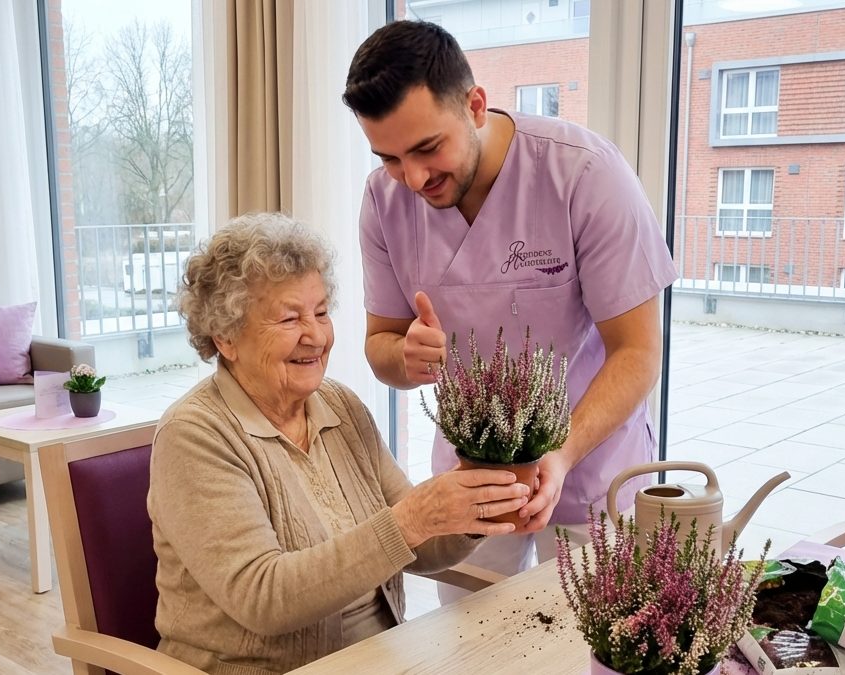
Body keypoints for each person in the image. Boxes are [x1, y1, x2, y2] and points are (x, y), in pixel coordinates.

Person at [342, 20, 678, 597]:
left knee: (592, 647)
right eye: (391, 158)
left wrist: (561, 452)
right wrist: (406, 355)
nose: (413, 178)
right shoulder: (384, 200)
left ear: (475, 105)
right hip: (472, 475)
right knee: (472, 647)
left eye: (427, 148)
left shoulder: (585, 175)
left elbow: (639, 352)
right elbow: (381, 349)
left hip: (592, 463)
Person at [148, 213, 530, 674]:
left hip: (378, 660)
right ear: (226, 337)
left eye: (322, 312)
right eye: (290, 318)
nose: (316, 335)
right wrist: (409, 521)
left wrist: (475, 506)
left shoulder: (341, 407)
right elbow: (263, 597)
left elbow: (423, 545)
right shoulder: (195, 436)